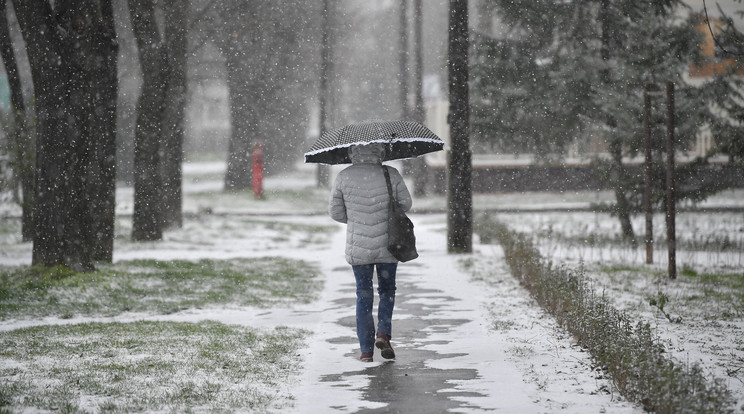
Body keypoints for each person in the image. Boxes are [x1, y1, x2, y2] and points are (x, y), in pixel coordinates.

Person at [329, 142, 413, 362]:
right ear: (381, 151)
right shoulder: (390, 173)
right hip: (389, 243)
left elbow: (336, 213)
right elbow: (406, 203)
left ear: (351, 151)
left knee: (363, 295)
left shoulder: (344, 176)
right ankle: (383, 333)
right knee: (387, 290)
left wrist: (357, 220)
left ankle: (366, 351)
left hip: (359, 248)